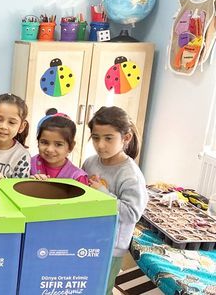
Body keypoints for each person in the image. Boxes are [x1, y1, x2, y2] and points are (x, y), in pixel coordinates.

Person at [82, 106, 147, 295]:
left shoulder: (131, 175)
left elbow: (132, 213)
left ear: (125, 138)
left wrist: (102, 192)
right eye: (95, 137)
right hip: (88, 238)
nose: (100, 145)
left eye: (108, 138)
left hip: (112, 248)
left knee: (101, 289)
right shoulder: (90, 162)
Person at [30, 109, 89, 185]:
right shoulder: (28, 164)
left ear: (71, 146)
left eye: (58, 144)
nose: (50, 149)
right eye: (44, 142)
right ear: (38, 142)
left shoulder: (78, 178)